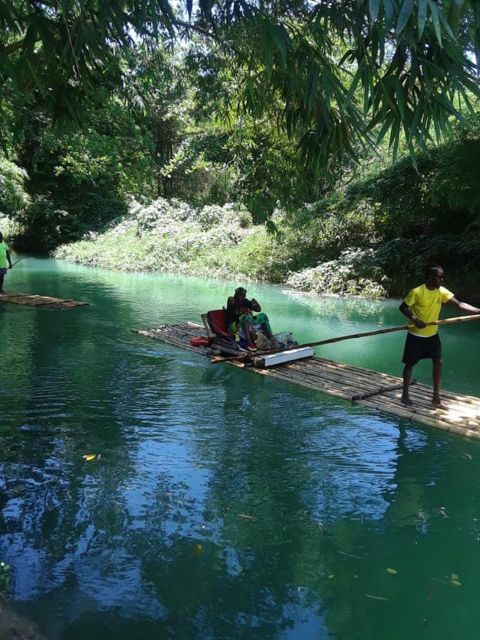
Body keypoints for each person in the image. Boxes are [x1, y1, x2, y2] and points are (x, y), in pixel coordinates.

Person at [399, 265, 480, 408]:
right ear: (430, 278)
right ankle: (405, 395)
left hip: (432, 335)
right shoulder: (417, 292)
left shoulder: (441, 291)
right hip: (416, 335)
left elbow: (460, 304)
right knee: (410, 364)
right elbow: (403, 307)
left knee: (438, 362)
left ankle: (436, 398)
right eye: (439, 277)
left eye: (443, 277)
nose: (442, 280)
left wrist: (478, 311)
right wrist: (415, 319)